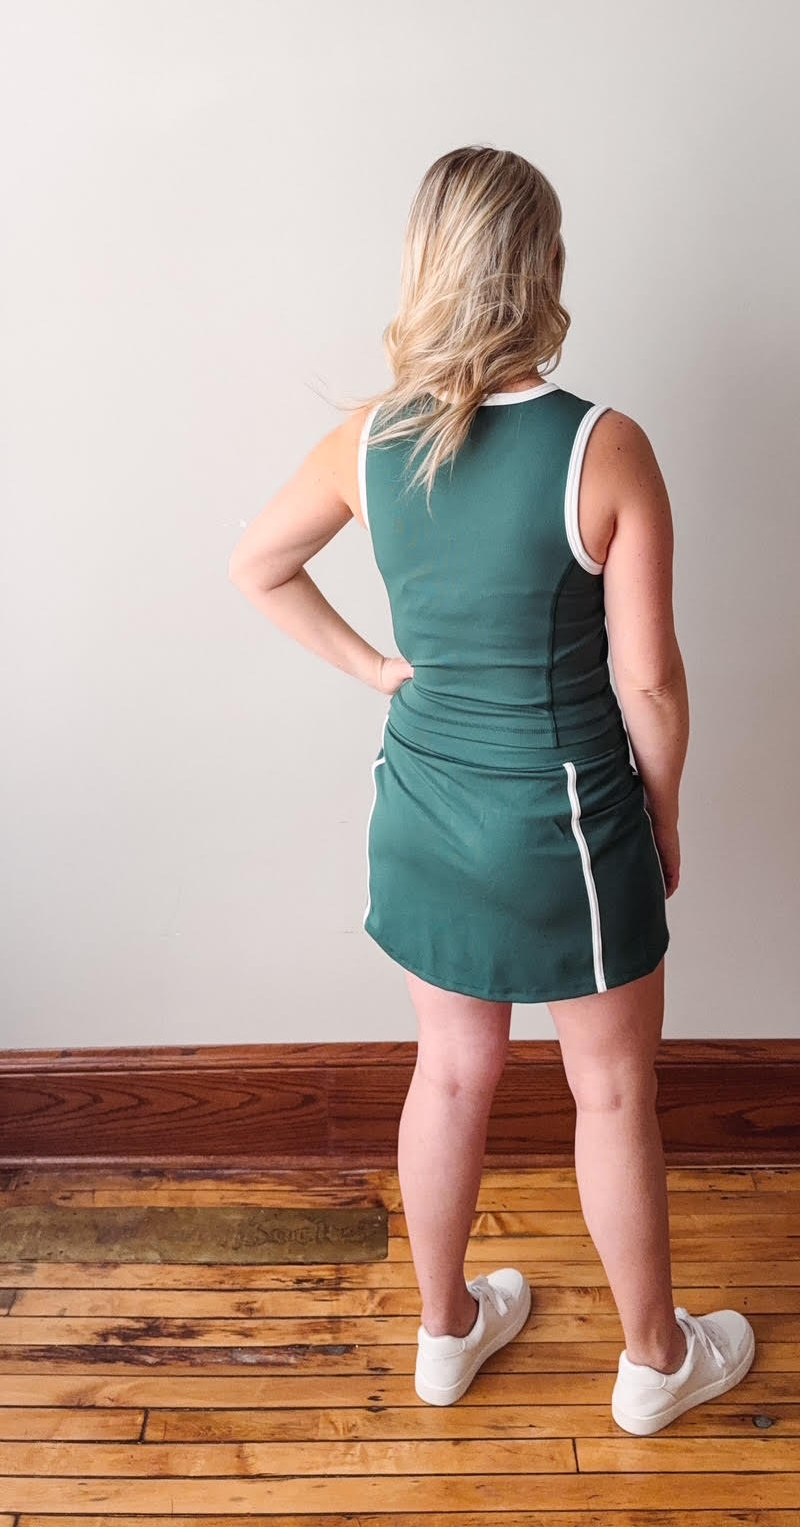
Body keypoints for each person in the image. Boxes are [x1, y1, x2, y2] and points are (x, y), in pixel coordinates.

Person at [228, 145, 754, 1434]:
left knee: (450, 1074)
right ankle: (651, 1363)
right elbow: (652, 687)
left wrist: (378, 670)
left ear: (429, 266)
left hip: (421, 816)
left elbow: (258, 563)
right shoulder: (603, 448)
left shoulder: (368, 440)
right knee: (612, 1092)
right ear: (545, 272)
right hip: (563, 828)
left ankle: (446, 1332)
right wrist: (665, 809)